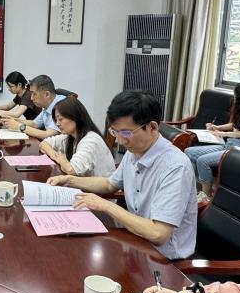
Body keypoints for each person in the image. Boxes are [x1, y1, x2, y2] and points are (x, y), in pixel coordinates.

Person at [48, 91, 196, 259]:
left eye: (126, 133)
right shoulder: (134, 151)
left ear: (152, 127)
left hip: (164, 258)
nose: (120, 141)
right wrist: (69, 180)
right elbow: (109, 184)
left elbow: (158, 233)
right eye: (115, 132)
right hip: (135, 242)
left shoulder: (175, 167)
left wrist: (106, 206)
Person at [184, 82, 240, 198]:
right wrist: (217, 127)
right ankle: (195, 188)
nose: (234, 99)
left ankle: (206, 195)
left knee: (202, 161)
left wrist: (222, 134)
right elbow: (235, 125)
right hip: (232, 144)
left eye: (236, 96)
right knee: (189, 152)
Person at [38, 96, 116, 177]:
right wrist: (54, 154)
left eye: (60, 119)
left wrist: (62, 160)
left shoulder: (90, 140)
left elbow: (71, 170)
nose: (57, 124)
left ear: (75, 117)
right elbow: (43, 144)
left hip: (100, 184)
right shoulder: (70, 136)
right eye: (56, 120)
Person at [1, 74, 63, 140]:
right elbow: (34, 124)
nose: (31, 98)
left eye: (34, 94)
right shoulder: (47, 106)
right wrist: (14, 120)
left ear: (47, 94)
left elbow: (48, 135)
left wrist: (19, 126)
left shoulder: (61, 106)